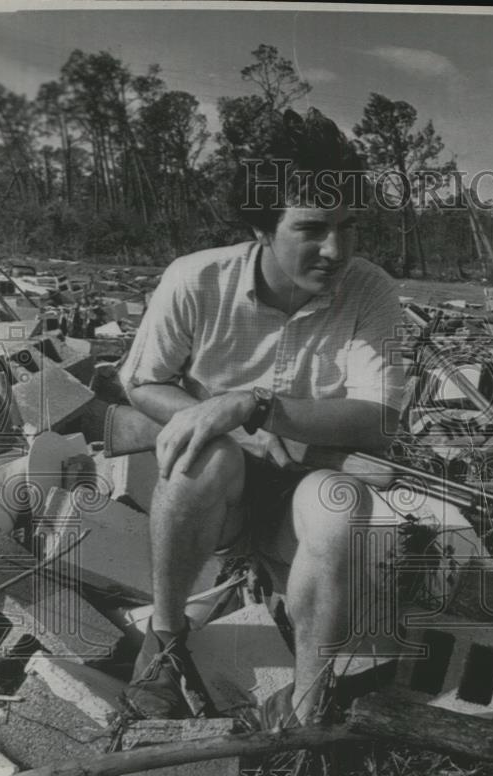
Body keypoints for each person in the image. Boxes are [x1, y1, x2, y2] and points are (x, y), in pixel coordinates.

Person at [118, 108, 404, 727]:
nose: (335, 250)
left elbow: (378, 419)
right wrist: (224, 420)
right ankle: (165, 643)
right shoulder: (194, 280)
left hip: (301, 489)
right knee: (202, 458)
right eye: (311, 228)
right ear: (262, 227)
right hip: (219, 497)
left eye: (349, 228)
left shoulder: (371, 290)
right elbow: (141, 381)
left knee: (339, 503)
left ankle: (307, 699)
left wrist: (259, 405)